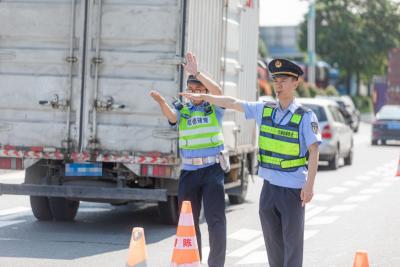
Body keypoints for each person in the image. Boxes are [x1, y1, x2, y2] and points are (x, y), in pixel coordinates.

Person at [181, 58, 321, 267]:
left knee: (292, 246)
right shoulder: (264, 109)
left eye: (283, 80)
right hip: (269, 190)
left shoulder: (305, 116)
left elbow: (314, 150)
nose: (278, 84)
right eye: (276, 80)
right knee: (273, 246)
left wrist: (309, 185)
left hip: (292, 190)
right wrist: (202, 95)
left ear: (296, 83)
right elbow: (231, 102)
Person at [150, 52, 227, 267]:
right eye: (191, 90)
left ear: (205, 91)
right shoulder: (182, 110)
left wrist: (197, 73)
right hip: (189, 172)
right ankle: (194, 262)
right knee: (189, 222)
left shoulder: (214, 109)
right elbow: (172, 118)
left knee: (215, 220)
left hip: (212, 169)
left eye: (198, 90)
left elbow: (218, 92)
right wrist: (162, 103)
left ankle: (216, 264)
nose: (193, 94)